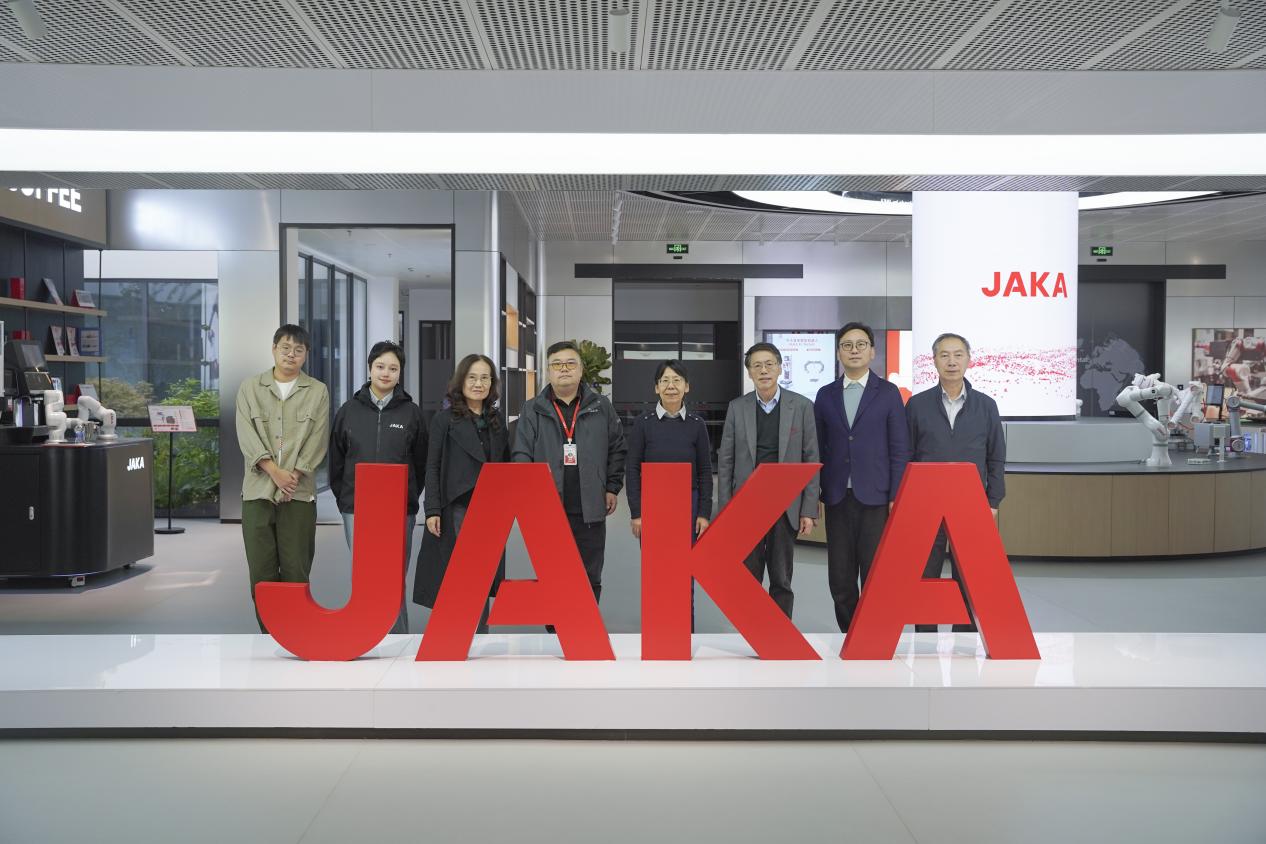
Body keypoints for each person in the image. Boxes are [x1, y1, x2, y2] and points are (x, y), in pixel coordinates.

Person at [813, 321, 910, 634]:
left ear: (872, 352)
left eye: (860, 345)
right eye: (847, 345)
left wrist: (896, 495)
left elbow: (899, 449)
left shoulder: (889, 393)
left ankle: (872, 635)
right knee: (840, 577)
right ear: (838, 353)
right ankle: (849, 634)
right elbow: (817, 449)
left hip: (877, 498)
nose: (854, 350)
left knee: (875, 573)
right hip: (837, 497)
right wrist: (815, 496)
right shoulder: (825, 395)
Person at [906, 332, 1006, 634]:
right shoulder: (917, 405)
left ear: (968, 359)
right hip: (927, 505)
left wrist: (993, 501)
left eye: (958, 354)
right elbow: (906, 456)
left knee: (970, 577)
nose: (952, 361)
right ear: (934, 360)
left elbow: (996, 457)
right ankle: (925, 639)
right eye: (945, 355)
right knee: (926, 575)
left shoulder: (986, 406)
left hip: (971, 505)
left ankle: (967, 640)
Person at [514, 340, 626, 604]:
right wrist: (531, 496)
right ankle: (555, 626)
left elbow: (617, 448)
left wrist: (612, 487)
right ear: (548, 371)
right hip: (548, 506)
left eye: (570, 363)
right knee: (551, 571)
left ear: (581, 369)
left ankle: (586, 624)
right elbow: (521, 454)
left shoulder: (601, 406)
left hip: (591, 505)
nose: (563, 369)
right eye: (557, 364)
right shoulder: (532, 409)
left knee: (590, 571)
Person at [235, 324, 330, 632]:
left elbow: (318, 439)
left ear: (306, 354)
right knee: (261, 573)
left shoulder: (317, 391)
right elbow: (246, 434)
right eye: (285, 348)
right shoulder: (250, 388)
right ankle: (270, 635)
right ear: (274, 349)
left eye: (298, 350)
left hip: (298, 494)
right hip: (257, 491)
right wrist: (274, 472)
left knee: (296, 570)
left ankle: (296, 634)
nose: (291, 354)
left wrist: (293, 476)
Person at [328, 340, 427, 635]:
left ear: (400, 373)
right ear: (370, 368)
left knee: (394, 576)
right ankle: (364, 635)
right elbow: (336, 462)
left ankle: (396, 636)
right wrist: (346, 500)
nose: (386, 373)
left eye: (393, 368)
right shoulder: (348, 411)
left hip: (400, 509)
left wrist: (409, 496)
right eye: (380, 366)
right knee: (366, 575)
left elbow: (420, 463)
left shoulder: (412, 413)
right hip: (357, 507)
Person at [718, 342, 820, 619]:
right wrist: (726, 511)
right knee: (747, 577)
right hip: (746, 504)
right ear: (749, 372)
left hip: (785, 504)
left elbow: (811, 459)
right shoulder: (737, 408)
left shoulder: (801, 406)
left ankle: (779, 635)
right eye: (757, 366)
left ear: (779, 368)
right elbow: (726, 461)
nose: (763, 370)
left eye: (769, 364)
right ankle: (752, 632)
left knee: (781, 578)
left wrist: (808, 509)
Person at [415, 354, 510, 631]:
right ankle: (456, 636)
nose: (478, 384)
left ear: (492, 383)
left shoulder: (496, 420)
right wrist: (432, 509)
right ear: (461, 381)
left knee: (483, 574)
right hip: (457, 506)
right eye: (472, 377)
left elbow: (504, 466)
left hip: (489, 510)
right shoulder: (444, 420)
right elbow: (432, 466)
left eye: (485, 378)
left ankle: (479, 636)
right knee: (459, 575)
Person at [625, 360, 713, 628]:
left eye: (677, 380)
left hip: (688, 505)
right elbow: (632, 469)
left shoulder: (697, 424)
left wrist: (703, 513)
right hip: (653, 508)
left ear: (687, 387)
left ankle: (685, 633)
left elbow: (705, 470)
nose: (671, 386)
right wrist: (637, 513)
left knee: (685, 573)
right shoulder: (643, 423)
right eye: (665, 380)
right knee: (656, 572)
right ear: (656, 388)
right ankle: (658, 633)